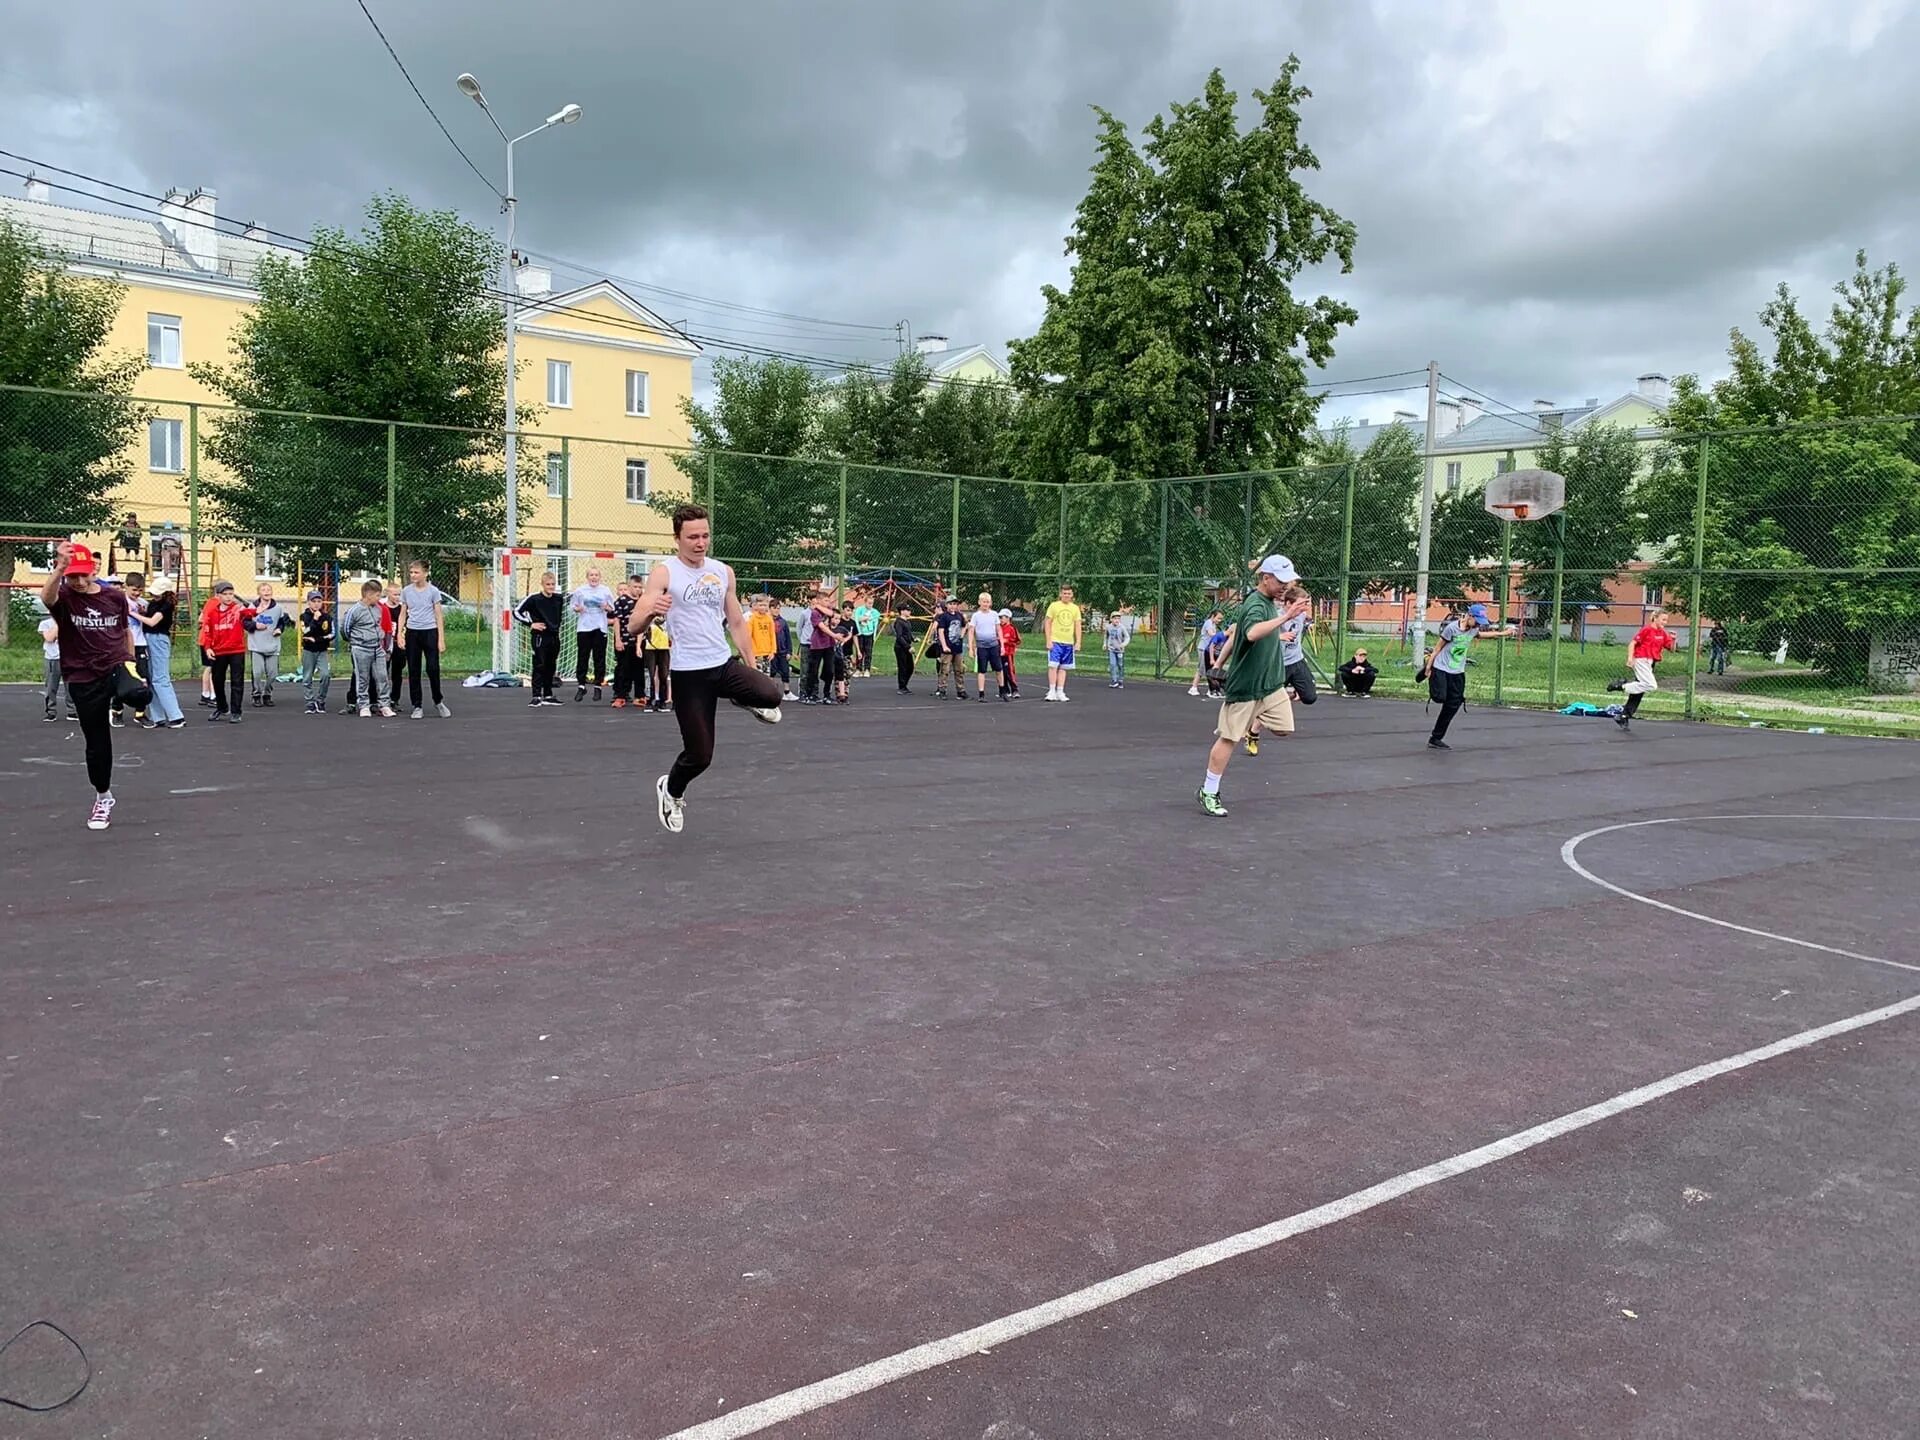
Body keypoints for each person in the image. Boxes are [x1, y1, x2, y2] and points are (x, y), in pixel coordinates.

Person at [634, 503, 784, 834]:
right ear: (677, 538)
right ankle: (671, 790)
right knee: (700, 755)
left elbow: (735, 622)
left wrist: (752, 668)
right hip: (689, 675)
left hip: (721, 664)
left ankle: (744, 698)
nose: (700, 543)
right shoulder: (665, 572)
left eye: (705, 535)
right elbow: (633, 625)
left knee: (771, 694)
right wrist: (650, 613)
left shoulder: (722, 571)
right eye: (692, 537)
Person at [1196, 556, 1300, 819]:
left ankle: (1253, 726)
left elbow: (1236, 638)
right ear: (1265, 578)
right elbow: (1252, 633)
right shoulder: (1255, 604)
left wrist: (1219, 662)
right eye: (1281, 581)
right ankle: (1208, 791)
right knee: (1228, 739)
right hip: (1246, 687)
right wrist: (1286, 616)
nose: (1285, 587)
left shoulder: (1267, 604)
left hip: (1270, 686)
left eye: (1288, 582)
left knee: (1285, 728)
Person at [42, 544, 136, 829]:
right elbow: (47, 596)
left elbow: (124, 631)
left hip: (115, 665)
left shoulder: (114, 597)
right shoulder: (65, 598)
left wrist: (132, 663)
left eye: (84, 575)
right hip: (83, 675)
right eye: (73, 577)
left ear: (93, 569)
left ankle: (131, 704)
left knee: (140, 693)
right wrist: (59, 569)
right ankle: (103, 797)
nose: (79, 582)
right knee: (97, 742)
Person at [1419, 602, 1514, 750]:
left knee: (1453, 704)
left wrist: (1503, 633)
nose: (1478, 625)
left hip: (1457, 672)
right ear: (1469, 616)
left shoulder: (1473, 629)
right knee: (1439, 697)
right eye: (1477, 621)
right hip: (1441, 668)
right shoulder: (1452, 628)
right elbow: (1437, 649)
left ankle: (1436, 738)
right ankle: (1433, 681)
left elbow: (1484, 635)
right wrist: (1428, 668)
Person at [1607, 608, 1678, 730]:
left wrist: (1673, 639)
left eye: (1666, 620)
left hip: (1651, 662)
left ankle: (1623, 716)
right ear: (1655, 618)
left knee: (1639, 690)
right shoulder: (1647, 629)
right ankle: (1620, 686)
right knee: (1651, 685)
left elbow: (1671, 649)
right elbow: (1632, 643)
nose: (1665, 622)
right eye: (1663, 619)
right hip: (1641, 659)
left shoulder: (1663, 633)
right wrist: (1630, 658)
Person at [400, 561, 450, 719]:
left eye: (416, 572)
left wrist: (441, 639)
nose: (413, 575)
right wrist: (400, 634)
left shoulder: (433, 591)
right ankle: (417, 705)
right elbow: (403, 613)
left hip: (430, 632)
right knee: (414, 670)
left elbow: (438, 615)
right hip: (413, 632)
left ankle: (438, 701)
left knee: (433, 668)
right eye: (411, 572)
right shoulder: (406, 591)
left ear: (425, 573)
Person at [197, 580, 252, 722]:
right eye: (225, 594)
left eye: (231, 594)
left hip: (236, 650)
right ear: (218, 596)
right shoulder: (212, 613)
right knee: (217, 680)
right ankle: (221, 707)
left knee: (237, 681)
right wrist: (208, 648)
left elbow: (251, 612)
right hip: (218, 651)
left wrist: (252, 607)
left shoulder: (238, 609)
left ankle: (236, 711)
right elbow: (207, 632)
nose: (228, 597)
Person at [343, 580, 396, 718]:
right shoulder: (354, 610)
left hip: (377, 647)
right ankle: (364, 705)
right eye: (377, 596)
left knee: (382, 676)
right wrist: (356, 640)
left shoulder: (377, 609)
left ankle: (385, 704)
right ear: (368, 594)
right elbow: (345, 629)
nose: (379, 599)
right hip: (361, 648)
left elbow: (379, 626)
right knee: (363, 678)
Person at [139, 575, 184, 727]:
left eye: (157, 593)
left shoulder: (167, 605)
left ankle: (176, 716)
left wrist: (133, 614)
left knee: (160, 679)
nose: (153, 595)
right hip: (148, 639)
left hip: (158, 639)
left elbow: (152, 622)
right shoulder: (153, 603)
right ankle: (157, 717)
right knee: (150, 678)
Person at [516, 572, 565, 706]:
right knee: (539, 665)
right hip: (540, 637)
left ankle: (548, 694)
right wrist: (530, 624)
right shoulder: (534, 599)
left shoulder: (559, 599)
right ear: (542, 585)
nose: (550, 587)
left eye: (553, 584)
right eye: (548, 584)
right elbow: (516, 612)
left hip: (554, 636)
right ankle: (536, 695)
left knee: (551, 665)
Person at [111, 571, 152, 728]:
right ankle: (116, 711)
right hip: (124, 645)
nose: (137, 593)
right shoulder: (119, 601)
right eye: (134, 590)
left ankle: (140, 713)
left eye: (140, 590)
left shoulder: (142, 603)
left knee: (143, 679)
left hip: (140, 643)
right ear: (126, 587)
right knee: (123, 680)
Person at [570, 566, 615, 701]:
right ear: (587, 577)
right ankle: (581, 685)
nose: (594, 577)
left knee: (599, 657)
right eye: (591, 575)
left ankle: (598, 686)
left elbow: (612, 608)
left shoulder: (605, 590)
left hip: (600, 627)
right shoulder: (580, 591)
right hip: (584, 628)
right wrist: (579, 608)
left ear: (599, 577)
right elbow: (573, 606)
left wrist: (606, 607)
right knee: (583, 657)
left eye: (596, 575)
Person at [245, 581, 289, 708]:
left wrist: (279, 629)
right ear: (259, 593)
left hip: (272, 645)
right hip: (256, 645)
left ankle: (267, 694)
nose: (266, 592)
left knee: (273, 674)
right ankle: (256, 695)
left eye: (269, 589)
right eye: (263, 590)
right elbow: (245, 623)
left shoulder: (278, 608)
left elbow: (281, 623)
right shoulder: (252, 607)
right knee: (257, 673)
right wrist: (255, 625)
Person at [609, 577, 644, 709]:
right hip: (624, 639)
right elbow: (617, 621)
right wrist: (618, 639)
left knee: (639, 669)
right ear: (630, 587)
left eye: (640, 587)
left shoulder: (642, 601)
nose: (638, 590)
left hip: (639, 640)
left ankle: (639, 696)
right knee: (624, 668)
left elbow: (642, 623)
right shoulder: (622, 601)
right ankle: (621, 696)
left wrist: (639, 645)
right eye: (635, 587)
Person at [297, 588, 334, 714]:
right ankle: (310, 702)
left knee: (325, 675)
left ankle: (321, 700)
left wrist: (317, 639)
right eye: (313, 601)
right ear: (308, 602)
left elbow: (331, 634)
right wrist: (315, 621)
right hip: (308, 650)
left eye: (319, 601)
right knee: (307, 676)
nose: (316, 604)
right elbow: (306, 632)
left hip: (322, 650)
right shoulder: (304, 616)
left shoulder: (327, 617)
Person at [1043, 585, 1083, 702]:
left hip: (1068, 642)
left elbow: (1078, 625)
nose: (1066, 595)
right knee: (1053, 666)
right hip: (1055, 641)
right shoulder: (1054, 606)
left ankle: (1060, 691)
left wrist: (1078, 642)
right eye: (1064, 593)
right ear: (1061, 594)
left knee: (1063, 668)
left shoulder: (1075, 608)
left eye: (1069, 593)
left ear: (1072, 595)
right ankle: (1051, 691)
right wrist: (1048, 640)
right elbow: (1048, 623)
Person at [802, 588, 840, 704]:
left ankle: (827, 695)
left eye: (829, 600)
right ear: (819, 601)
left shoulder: (827, 610)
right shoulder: (814, 613)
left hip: (828, 644)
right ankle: (809, 695)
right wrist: (835, 635)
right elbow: (822, 627)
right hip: (817, 645)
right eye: (826, 600)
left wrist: (818, 606)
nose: (828, 603)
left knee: (829, 670)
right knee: (813, 671)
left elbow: (832, 614)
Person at [967, 591, 1005, 702]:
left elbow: (999, 630)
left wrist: (1002, 645)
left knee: (999, 668)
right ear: (979, 602)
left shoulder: (994, 614)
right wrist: (970, 647)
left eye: (987, 602)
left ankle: (1002, 691)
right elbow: (971, 631)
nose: (985, 604)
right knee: (982, 670)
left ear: (990, 603)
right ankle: (981, 694)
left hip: (994, 645)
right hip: (982, 646)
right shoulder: (976, 616)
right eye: (983, 602)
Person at [38, 612, 71, 722]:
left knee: (71, 686)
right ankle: (51, 712)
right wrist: (59, 623)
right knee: (51, 686)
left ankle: (72, 711)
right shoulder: (45, 624)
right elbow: (49, 638)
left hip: (69, 659)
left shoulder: (71, 623)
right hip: (52, 659)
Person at [645, 609, 672, 712]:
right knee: (650, 675)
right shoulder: (649, 616)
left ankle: (662, 701)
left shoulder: (669, 617)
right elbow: (642, 630)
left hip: (664, 648)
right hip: (650, 648)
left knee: (663, 675)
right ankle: (649, 700)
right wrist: (638, 645)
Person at [1190, 608, 1222, 697]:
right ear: (1213, 616)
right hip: (1203, 649)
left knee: (1210, 670)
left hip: (1208, 650)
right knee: (1201, 669)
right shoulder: (1208, 623)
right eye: (1218, 618)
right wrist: (1220, 635)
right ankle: (1193, 688)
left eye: (1220, 619)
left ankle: (1210, 689)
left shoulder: (1213, 624)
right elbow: (1211, 634)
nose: (1219, 621)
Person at [747, 594, 778, 677]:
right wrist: (750, 651)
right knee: (758, 676)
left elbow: (772, 635)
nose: (763, 608)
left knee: (767, 676)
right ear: (756, 606)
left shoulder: (769, 619)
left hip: (767, 653)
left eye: (765, 605)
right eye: (760, 605)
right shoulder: (752, 619)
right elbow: (748, 636)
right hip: (756, 653)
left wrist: (773, 651)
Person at [852, 592, 881, 677]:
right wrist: (862, 620)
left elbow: (875, 624)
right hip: (861, 633)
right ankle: (858, 669)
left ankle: (867, 669)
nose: (870, 605)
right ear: (865, 602)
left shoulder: (875, 612)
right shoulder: (859, 610)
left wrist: (874, 635)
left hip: (869, 634)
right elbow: (856, 619)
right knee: (860, 651)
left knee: (868, 652)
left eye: (872, 603)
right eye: (869, 603)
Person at [769, 603, 794, 698]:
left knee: (785, 670)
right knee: (772, 670)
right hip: (771, 651)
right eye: (774, 608)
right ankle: (770, 690)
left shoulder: (783, 622)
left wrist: (789, 651)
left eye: (778, 608)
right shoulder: (767, 620)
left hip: (782, 650)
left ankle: (787, 692)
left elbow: (788, 637)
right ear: (770, 609)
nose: (776, 610)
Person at [997, 608, 1022, 699]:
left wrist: (1006, 641)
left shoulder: (1011, 628)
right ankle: (1004, 690)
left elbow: (1016, 640)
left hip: (1008, 654)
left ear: (1008, 618)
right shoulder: (999, 627)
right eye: (999, 617)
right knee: (1001, 672)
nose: (1000, 619)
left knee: (1009, 672)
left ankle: (1014, 690)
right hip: (1000, 653)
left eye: (1002, 617)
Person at [891, 608, 918, 694]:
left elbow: (908, 633)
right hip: (900, 648)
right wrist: (908, 647)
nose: (910, 612)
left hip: (907, 647)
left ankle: (904, 685)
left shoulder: (907, 622)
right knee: (902, 667)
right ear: (902, 611)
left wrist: (913, 639)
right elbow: (899, 637)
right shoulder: (899, 622)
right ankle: (901, 687)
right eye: (907, 610)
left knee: (910, 667)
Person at [1104, 607, 1130, 689]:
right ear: (1111, 619)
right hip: (1111, 649)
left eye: (1118, 618)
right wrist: (1105, 644)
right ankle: (1114, 680)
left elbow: (1127, 637)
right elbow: (1106, 636)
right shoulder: (1108, 627)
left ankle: (1120, 680)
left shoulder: (1122, 627)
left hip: (1120, 650)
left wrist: (1123, 644)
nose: (1116, 620)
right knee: (1112, 664)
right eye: (1115, 618)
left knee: (1120, 665)